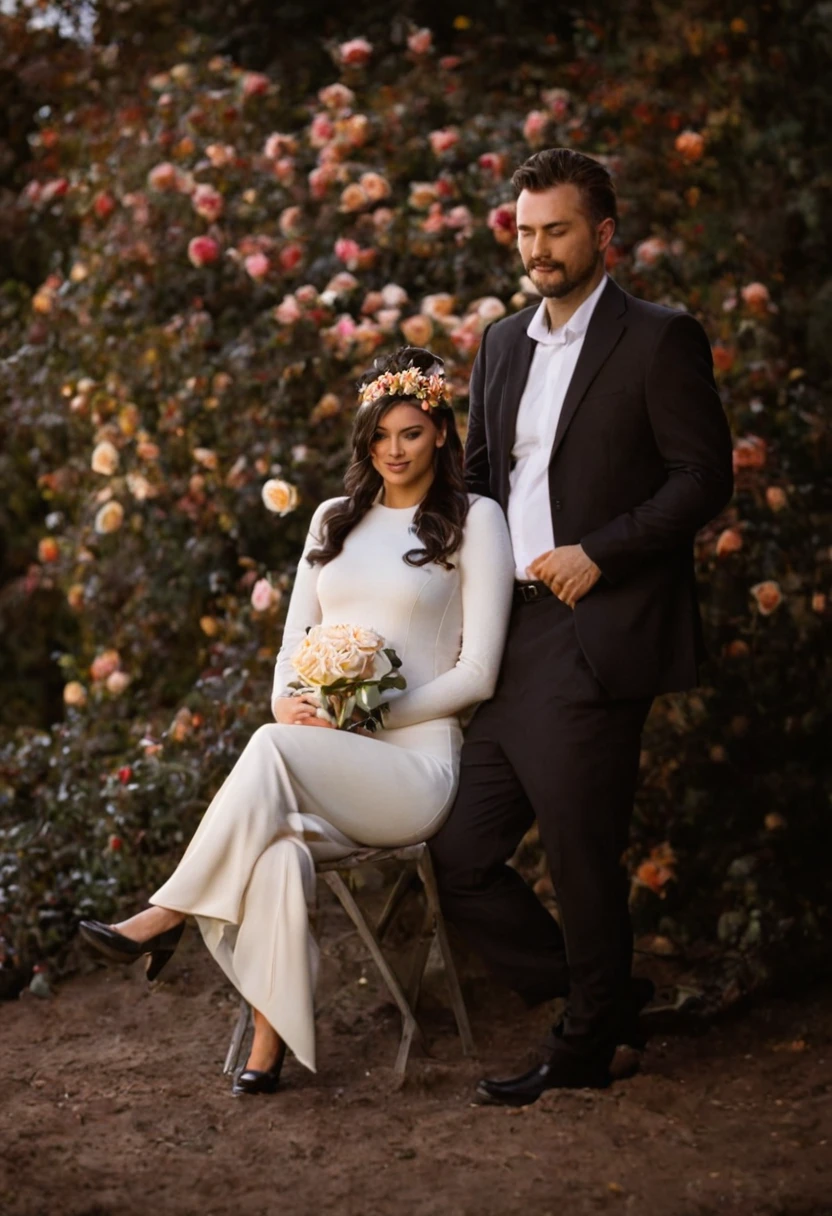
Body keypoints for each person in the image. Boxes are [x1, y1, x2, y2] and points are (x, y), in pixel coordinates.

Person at [79, 347, 514, 1095]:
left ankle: (165, 913)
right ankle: (267, 1041)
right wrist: (287, 698)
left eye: (410, 433)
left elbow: (479, 674)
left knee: (271, 750)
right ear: (364, 439)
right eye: (379, 436)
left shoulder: (476, 519)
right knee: (277, 845)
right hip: (322, 755)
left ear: (441, 430)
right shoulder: (332, 520)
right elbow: (292, 646)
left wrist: (374, 716)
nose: (394, 450)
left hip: (413, 768)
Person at [428, 147, 734, 1104]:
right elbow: (480, 482)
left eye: (555, 230)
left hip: (597, 629)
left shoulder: (659, 337)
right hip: (507, 634)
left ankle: (584, 1049)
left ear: (604, 234)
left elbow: (702, 477)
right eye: (524, 231)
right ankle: (603, 1003)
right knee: (460, 853)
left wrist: (601, 549)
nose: (537, 248)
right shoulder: (502, 342)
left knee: (576, 850)